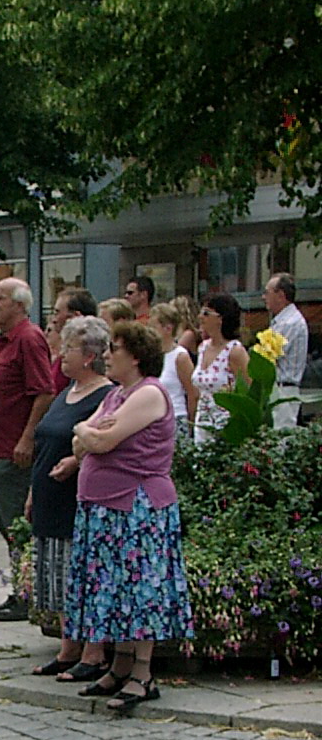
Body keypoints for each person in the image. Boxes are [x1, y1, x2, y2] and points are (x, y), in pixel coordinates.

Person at [65, 320, 193, 714]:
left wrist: (90, 432)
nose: (107, 355)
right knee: (113, 588)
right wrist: (87, 429)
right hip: (106, 507)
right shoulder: (118, 395)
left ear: (135, 356)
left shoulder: (149, 394)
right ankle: (119, 665)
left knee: (139, 589)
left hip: (137, 508)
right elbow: (81, 442)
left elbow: (101, 440)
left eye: (114, 349)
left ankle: (142, 673)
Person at [26, 316, 113, 679]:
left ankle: (93, 654)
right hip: (48, 497)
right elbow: (47, 440)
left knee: (79, 576)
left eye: (69, 348)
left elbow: (101, 442)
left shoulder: (106, 395)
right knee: (57, 577)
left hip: (75, 500)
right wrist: (33, 491)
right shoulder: (67, 392)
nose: (60, 354)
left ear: (90, 355)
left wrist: (76, 461)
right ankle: (68, 647)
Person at [0, 279, 54, 620]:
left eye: (1, 298)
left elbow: (43, 391)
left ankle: (27, 594)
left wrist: (27, 437)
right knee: (5, 522)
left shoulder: (28, 338)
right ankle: (20, 589)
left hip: (13, 448)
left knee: (17, 523)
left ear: (20, 305)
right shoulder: (5, 341)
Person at [191, 292, 249, 447]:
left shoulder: (235, 351)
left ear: (220, 319)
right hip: (202, 422)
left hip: (225, 423)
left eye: (206, 313)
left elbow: (249, 389)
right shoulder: (202, 348)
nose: (200, 317)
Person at [263, 272, 308, 429]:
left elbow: (268, 355)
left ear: (281, 295)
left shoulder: (289, 323)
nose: (263, 297)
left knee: (281, 438)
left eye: (267, 292)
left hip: (284, 389)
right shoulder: (281, 321)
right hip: (278, 388)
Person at [150, 302, 196, 431]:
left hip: (175, 417)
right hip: (152, 419)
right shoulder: (151, 355)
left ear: (168, 328)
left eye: (154, 327)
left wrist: (191, 423)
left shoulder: (180, 356)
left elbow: (192, 392)